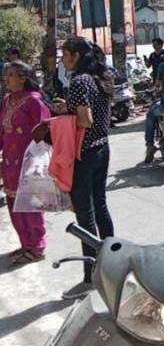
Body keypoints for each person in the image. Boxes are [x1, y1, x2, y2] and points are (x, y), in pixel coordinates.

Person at [54, 37, 115, 299]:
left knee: (85, 214)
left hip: (85, 151)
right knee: (100, 206)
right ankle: (112, 263)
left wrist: (65, 113)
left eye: (65, 55)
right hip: (103, 148)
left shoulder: (79, 81)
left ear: (75, 55)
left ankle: (90, 276)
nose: (63, 61)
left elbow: (84, 120)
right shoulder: (101, 77)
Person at [1, 61, 52, 264]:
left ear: (24, 78)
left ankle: (37, 247)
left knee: (31, 204)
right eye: (7, 74)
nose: (7, 78)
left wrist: (39, 162)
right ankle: (26, 244)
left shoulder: (34, 102)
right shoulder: (7, 101)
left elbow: (44, 132)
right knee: (14, 204)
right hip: (10, 162)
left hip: (29, 161)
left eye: (12, 74)